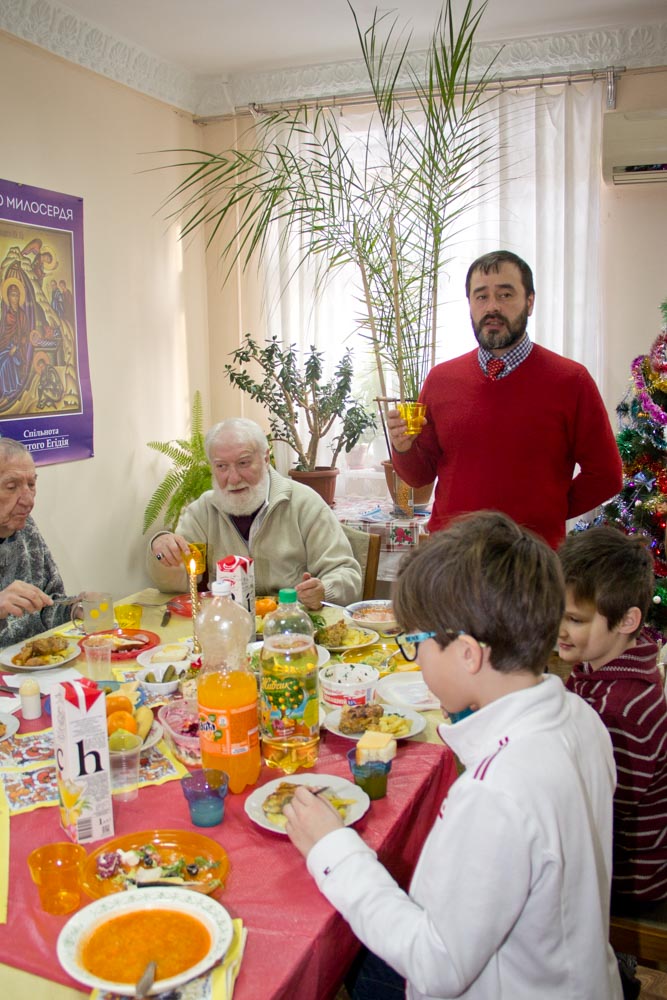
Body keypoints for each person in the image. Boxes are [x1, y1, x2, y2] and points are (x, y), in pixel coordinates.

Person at [283, 511, 622, 999]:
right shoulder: (579, 717)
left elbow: (436, 965)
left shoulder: (496, 791)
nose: (415, 658)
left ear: (468, 654)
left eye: (415, 643)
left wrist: (331, 847)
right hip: (570, 975)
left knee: (341, 953)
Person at [387, 250, 623, 549]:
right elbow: (419, 475)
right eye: (481, 296)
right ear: (470, 304)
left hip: (531, 561)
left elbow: (606, 476)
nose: (492, 307)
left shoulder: (571, 381)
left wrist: (549, 513)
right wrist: (403, 448)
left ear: (530, 302)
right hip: (450, 559)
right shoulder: (440, 379)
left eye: (505, 294)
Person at [558, 525, 667, 908]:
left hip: (625, 878)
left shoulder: (619, 710)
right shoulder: (605, 668)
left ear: (627, 621)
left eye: (576, 620)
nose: (560, 630)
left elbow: (596, 814)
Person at [147, 417, 362, 609]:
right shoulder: (203, 511)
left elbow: (347, 573)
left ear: (266, 459)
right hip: (228, 625)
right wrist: (163, 551)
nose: (233, 478)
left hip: (291, 625)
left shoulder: (305, 503)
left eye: (243, 463)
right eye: (221, 466)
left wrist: (324, 590)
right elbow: (175, 585)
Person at [0, 438, 75, 645]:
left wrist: (75, 609)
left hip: (34, 659)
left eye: (31, 485)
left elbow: (48, 605)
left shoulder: (25, 528)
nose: (29, 500)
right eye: (11, 487)